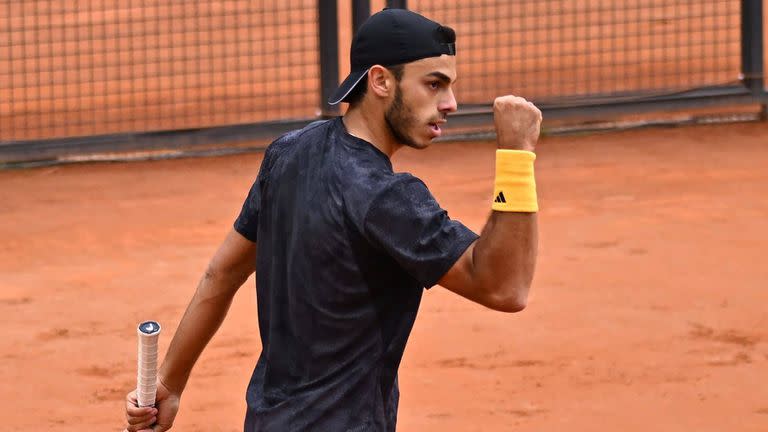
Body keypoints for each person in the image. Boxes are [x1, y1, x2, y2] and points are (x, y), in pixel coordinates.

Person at [124, 8, 541, 432]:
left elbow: (221, 273)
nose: (450, 103)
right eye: (434, 84)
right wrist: (516, 157)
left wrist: (170, 384)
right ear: (380, 81)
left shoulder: (288, 153)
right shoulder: (386, 197)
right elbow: (505, 287)